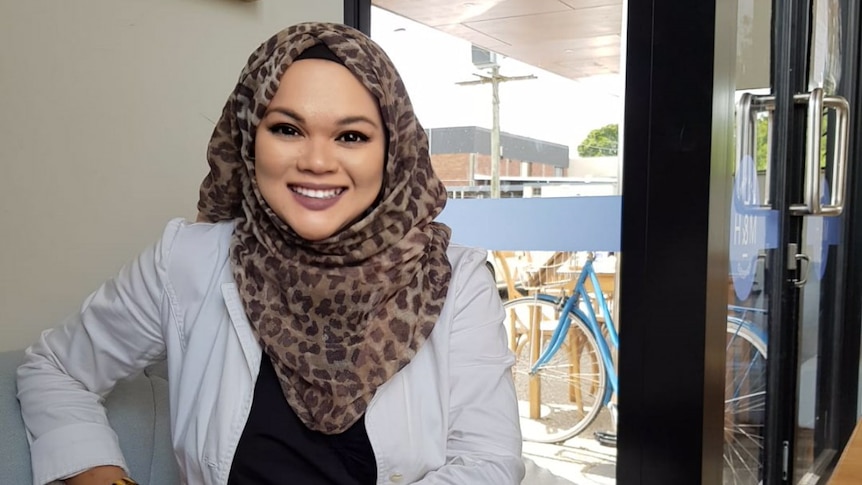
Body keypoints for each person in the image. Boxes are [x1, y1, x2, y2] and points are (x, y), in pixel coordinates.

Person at [16, 22, 525, 485]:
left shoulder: (452, 279)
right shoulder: (187, 259)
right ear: (249, 138)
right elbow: (56, 370)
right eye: (286, 129)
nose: (317, 161)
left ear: (392, 151)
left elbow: (488, 463)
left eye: (351, 136)